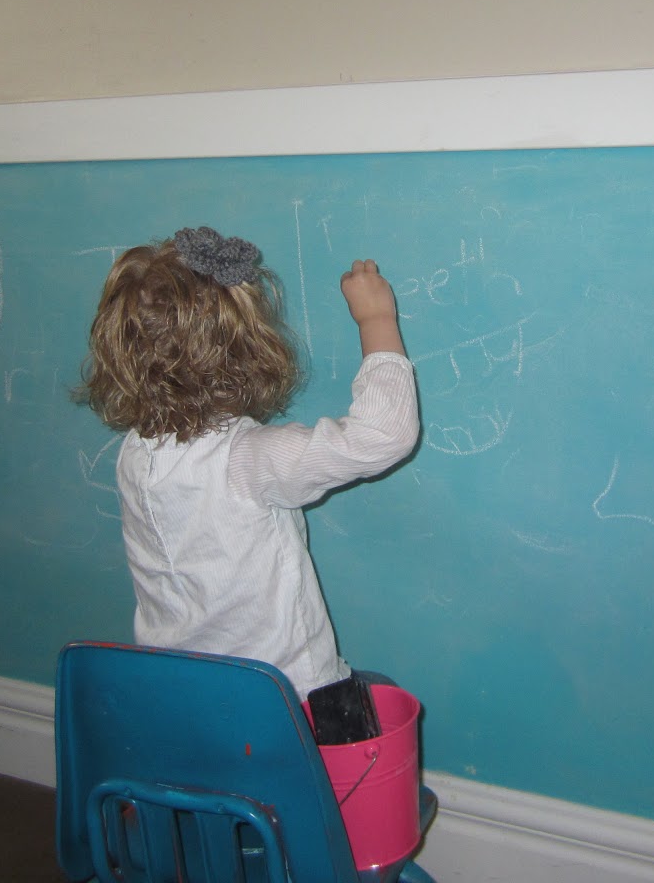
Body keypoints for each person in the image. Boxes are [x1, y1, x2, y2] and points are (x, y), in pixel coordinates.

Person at [78, 226, 418, 698]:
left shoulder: (135, 453)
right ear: (249, 351)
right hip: (287, 700)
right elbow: (383, 435)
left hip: (183, 690)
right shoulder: (247, 459)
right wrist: (376, 319)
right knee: (381, 696)